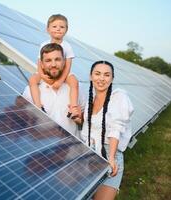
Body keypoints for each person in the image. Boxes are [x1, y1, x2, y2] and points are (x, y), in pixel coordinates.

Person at [81, 60, 134, 200]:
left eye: (106, 75)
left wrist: (111, 158)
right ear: (91, 76)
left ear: (112, 78)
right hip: (89, 154)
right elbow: (89, 128)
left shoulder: (119, 98)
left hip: (109, 154)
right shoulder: (90, 101)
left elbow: (116, 129)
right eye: (97, 74)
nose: (101, 78)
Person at [23, 43, 84, 138]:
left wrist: (80, 119)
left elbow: (87, 122)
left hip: (74, 150)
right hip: (42, 150)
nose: (53, 64)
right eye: (48, 60)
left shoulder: (77, 88)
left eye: (57, 59)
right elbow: (25, 128)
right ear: (41, 65)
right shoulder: (29, 91)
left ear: (64, 62)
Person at [29, 14, 79, 117]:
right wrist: (42, 76)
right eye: (54, 26)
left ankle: (73, 108)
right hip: (46, 72)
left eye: (62, 27)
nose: (58, 29)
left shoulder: (67, 46)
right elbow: (39, 62)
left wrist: (60, 80)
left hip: (63, 72)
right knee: (33, 80)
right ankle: (38, 105)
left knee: (74, 82)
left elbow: (68, 65)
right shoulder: (43, 44)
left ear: (66, 30)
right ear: (48, 29)